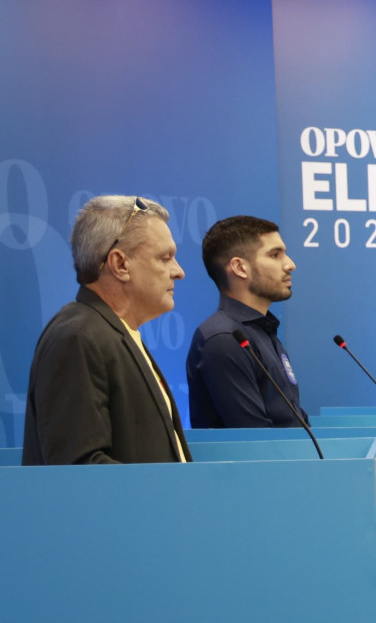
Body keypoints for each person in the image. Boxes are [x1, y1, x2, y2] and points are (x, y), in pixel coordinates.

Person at [22, 195, 192, 465]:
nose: (179, 271)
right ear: (120, 264)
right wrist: (161, 501)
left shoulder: (110, 332)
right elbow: (79, 469)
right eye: (165, 258)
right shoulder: (78, 337)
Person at [186, 215, 305, 429]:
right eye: (275, 255)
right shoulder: (224, 339)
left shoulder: (261, 331)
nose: (290, 265)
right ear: (240, 268)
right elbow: (255, 441)